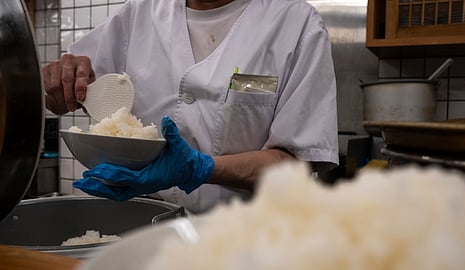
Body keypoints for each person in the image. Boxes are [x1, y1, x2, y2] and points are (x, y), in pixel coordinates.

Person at [42, 0, 339, 214]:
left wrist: (202, 169)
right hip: (146, 228)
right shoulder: (137, 15)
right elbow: (61, 97)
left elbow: (296, 164)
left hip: (249, 238)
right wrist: (61, 86)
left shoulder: (296, 23)